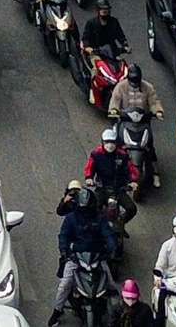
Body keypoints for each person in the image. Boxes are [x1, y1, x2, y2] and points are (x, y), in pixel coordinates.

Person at [50, 187, 118, 325]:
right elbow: (64, 235)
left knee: (111, 285)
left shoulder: (100, 218)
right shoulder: (71, 218)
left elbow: (108, 234)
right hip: (76, 257)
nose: (85, 211)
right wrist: (64, 250)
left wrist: (112, 249)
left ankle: (116, 316)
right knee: (65, 284)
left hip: (97, 257)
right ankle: (56, 312)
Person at [86, 130, 139, 224]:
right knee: (93, 208)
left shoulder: (123, 155)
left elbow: (131, 169)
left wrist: (133, 181)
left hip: (119, 189)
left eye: (112, 142)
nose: (110, 145)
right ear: (102, 142)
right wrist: (89, 178)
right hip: (102, 187)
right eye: (107, 142)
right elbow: (89, 167)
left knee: (132, 209)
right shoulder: (96, 154)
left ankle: (120, 223)